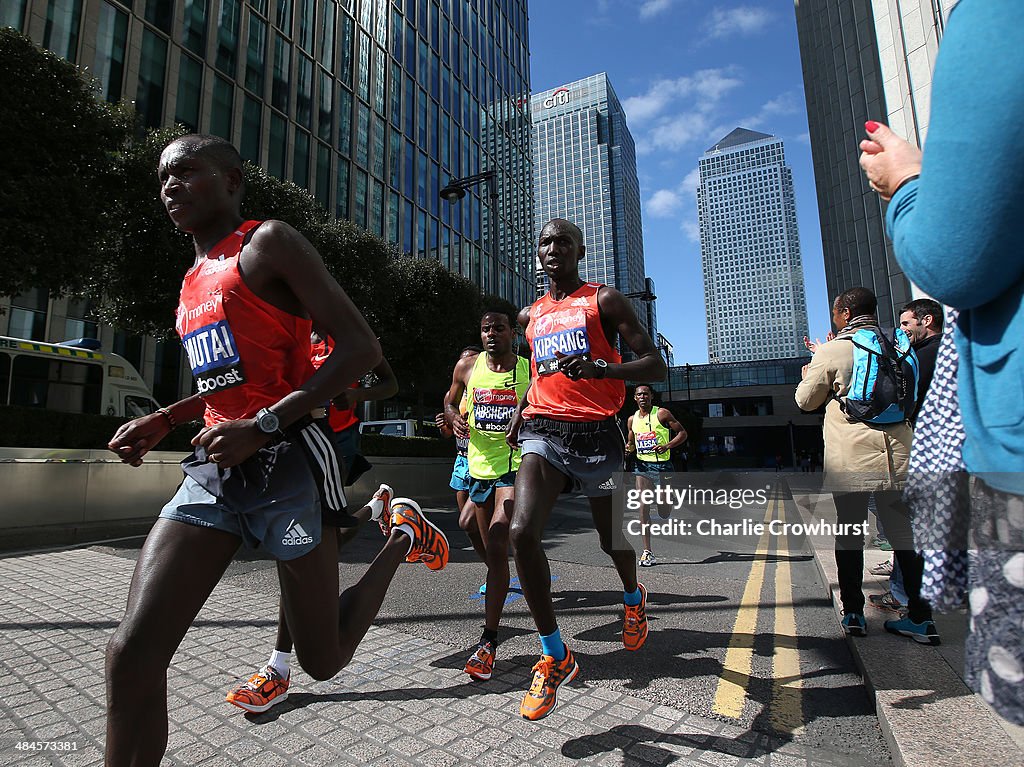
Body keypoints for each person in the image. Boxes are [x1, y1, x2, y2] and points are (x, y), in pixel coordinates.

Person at [104, 135, 449, 764]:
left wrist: (263, 427)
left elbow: (362, 351)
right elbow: (224, 387)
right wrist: (165, 418)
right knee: (132, 654)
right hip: (214, 472)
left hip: (289, 462)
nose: (170, 187)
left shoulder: (268, 244)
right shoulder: (188, 282)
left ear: (233, 180)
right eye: (163, 179)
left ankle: (400, 538)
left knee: (322, 659)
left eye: (187, 172)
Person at [858, 0, 1024, 724]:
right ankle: (914, 605)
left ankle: (894, 607)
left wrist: (909, 185)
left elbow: (955, 255)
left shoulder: (996, 20)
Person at [506, 218, 667, 721]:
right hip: (544, 431)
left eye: (563, 242)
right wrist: (518, 412)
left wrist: (605, 370)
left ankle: (632, 595)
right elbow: (534, 372)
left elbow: (654, 364)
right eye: (545, 242)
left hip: (598, 433)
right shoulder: (528, 313)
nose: (552, 249)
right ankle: (555, 655)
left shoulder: (606, 300)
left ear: (580, 251)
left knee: (611, 540)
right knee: (521, 531)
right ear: (539, 254)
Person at [224, 331, 399, 713]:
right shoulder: (288, 332)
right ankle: (378, 509)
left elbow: (390, 384)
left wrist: (355, 396)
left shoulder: (347, 330)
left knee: (301, 550)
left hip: (332, 445)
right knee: (316, 545)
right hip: (290, 445)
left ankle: (278, 668)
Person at [794, 287, 937, 644]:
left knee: (849, 534)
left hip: (852, 455)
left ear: (843, 313)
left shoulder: (835, 349)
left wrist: (809, 371)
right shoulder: (902, 346)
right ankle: (920, 617)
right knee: (905, 537)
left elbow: (805, 402)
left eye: (835, 312)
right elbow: (914, 396)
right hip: (900, 453)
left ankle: (855, 612)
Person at [444, 310, 530, 680]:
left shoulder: (530, 369)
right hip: (479, 466)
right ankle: (508, 576)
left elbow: (548, 406)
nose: (492, 334)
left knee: (498, 537)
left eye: (499, 328)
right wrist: (452, 416)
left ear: (513, 333)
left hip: (516, 463)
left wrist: (525, 416)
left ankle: (488, 640)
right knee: (490, 550)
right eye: (485, 329)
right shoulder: (466, 367)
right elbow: (449, 401)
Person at [625, 384, 687, 567]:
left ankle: (668, 499)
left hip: (662, 467)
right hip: (642, 466)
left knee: (663, 511)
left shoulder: (662, 414)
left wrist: (667, 446)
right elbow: (631, 442)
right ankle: (647, 551)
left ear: (651, 396)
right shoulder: (631, 420)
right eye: (639, 394)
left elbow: (683, 433)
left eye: (645, 393)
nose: (642, 397)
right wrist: (629, 449)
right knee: (643, 506)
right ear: (635, 398)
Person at [438, 346, 487, 564]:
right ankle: (493, 566)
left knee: (479, 522)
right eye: (463, 361)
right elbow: (447, 433)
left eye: (473, 361)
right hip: (461, 460)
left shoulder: (485, 388)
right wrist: (444, 424)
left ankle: (498, 569)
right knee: (469, 526)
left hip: (484, 459)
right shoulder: (452, 395)